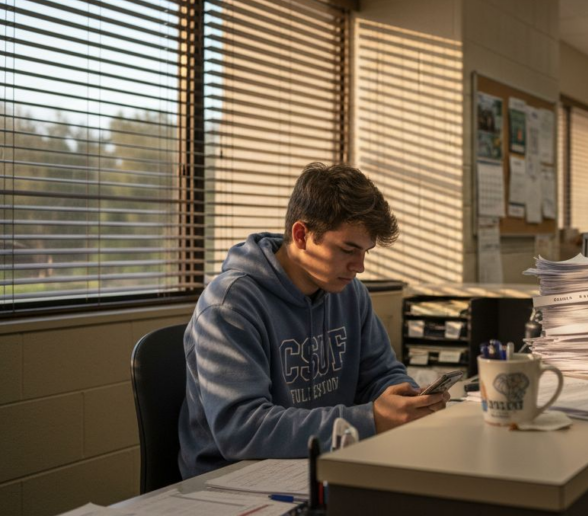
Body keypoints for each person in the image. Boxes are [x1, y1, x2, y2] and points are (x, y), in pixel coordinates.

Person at [178, 163, 447, 478]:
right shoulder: (229, 306)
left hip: (319, 463)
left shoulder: (349, 294)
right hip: (233, 480)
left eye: (366, 252)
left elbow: (380, 375)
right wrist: (369, 420)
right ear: (302, 235)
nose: (359, 266)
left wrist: (406, 400)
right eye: (348, 249)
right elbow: (241, 431)